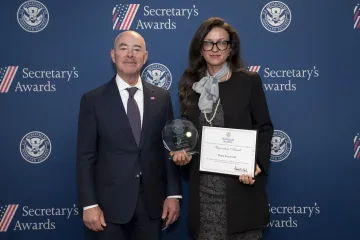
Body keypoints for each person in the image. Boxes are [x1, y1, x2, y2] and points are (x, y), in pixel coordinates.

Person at [172, 17, 274, 240]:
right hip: (205, 198)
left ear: (230, 48)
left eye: (222, 43)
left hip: (242, 193)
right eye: (208, 43)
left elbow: (264, 127)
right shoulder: (189, 85)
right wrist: (183, 153)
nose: (215, 48)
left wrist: (256, 163)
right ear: (201, 48)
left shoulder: (249, 81)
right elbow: (188, 131)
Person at [76, 31, 181, 240]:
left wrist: (173, 194)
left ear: (145, 56)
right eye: (123, 48)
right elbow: (86, 156)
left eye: (137, 49)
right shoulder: (93, 100)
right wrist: (89, 204)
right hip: (108, 209)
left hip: (152, 207)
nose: (130, 55)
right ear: (113, 55)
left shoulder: (162, 97)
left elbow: (168, 148)